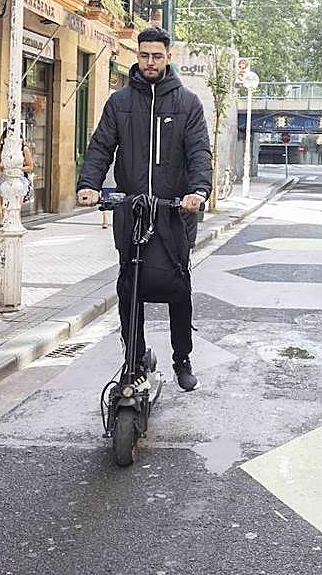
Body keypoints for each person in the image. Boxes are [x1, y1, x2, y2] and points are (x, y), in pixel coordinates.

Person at [76, 26, 211, 392]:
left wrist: (198, 191)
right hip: (132, 211)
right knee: (129, 286)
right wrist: (89, 184)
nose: (150, 62)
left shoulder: (187, 103)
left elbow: (199, 152)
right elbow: (101, 146)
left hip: (174, 211)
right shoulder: (119, 102)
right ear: (137, 55)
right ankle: (134, 358)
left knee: (178, 287)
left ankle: (181, 358)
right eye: (144, 55)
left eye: (157, 56)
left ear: (169, 57)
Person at [0, 125, 35, 205]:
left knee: (16, 206)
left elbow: (30, 166)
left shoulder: (24, 149)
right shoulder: (1, 148)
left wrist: (18, 169)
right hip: (5, 178)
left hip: (19, 178)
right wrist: (5, 167)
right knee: (4, 206)